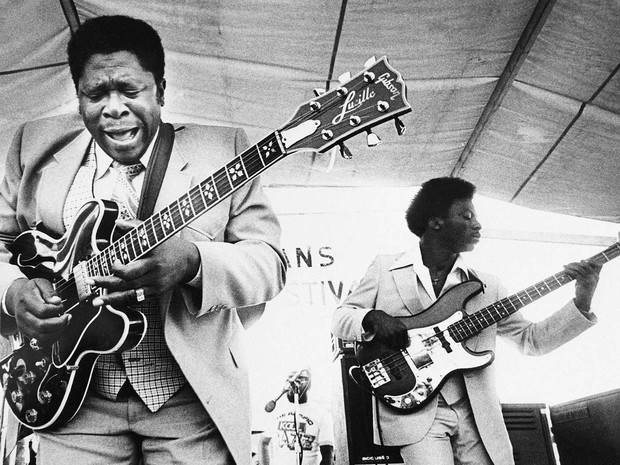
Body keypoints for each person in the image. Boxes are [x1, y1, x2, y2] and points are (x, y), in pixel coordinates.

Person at [0, 15, 286, 465]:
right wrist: (12, 291)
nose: (114, 108)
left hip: (189, 403)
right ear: (78, 97)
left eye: (130, 91)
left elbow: (270, 263)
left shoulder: (225, 152)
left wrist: (194, 263)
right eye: (96, 94)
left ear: (161, 91)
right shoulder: (31, 145)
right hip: (70, 401)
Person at [331, 177, 602, 465]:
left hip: (477, 416)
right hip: (416, 414)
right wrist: (372, 317)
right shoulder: (385, 268)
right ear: (436, 222)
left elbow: (532, 341)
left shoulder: (487, 285)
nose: (478, 225)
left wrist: (583, 297)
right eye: (467, 216)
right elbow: (340, 317)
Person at [259, 369, 334, 465]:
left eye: (298, 380)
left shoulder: (322, 414)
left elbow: (328, 455)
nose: (291, 384)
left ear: (308, 385)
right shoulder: (278, 410)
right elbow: (263, 442)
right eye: (288, 380)